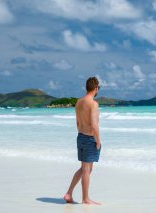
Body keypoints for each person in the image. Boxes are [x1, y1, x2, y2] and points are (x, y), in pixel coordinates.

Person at [63, 76, 102, 205]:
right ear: (96, 88)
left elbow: (78, 123)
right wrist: (98, 141)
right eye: (98, 88)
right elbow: (94, 125)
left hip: (80, 136)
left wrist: (83, 135)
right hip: (89, 138)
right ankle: (85, 199)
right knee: (86, 169)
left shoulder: (78, 102)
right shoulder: (93, 104)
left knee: (85, 168)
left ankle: (68, 193)